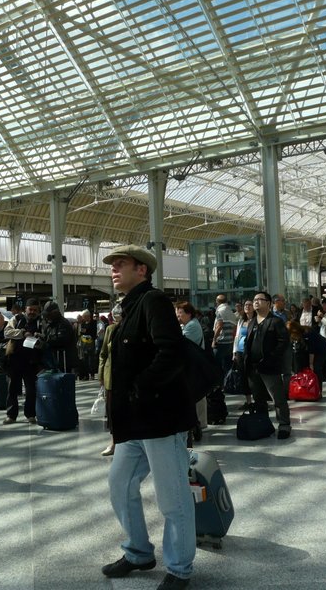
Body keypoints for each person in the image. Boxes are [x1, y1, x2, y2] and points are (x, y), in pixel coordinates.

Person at [101, 245, 196, 590]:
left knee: (172, 497)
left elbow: (171, 352)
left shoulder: (153, 301)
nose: (113, 270)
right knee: (120, 484)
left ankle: (180, 568)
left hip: (160, 418)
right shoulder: (129, 308)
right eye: (112, 265)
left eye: (120, 264)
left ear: (141, 270)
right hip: (135, 421)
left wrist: (141, 387)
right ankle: (139, 552)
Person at [242, 291, 291, 439]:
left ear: (268, 303)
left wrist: (272, 357)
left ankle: (284, 425)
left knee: (277, 397)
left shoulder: (275, 321)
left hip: (269, 366)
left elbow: (283, 342)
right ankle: (263, 424)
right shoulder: (252, 322)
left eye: (259, 299)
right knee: (258, 399)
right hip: (253, 367)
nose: (256, 302)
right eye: (254, 299)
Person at [3, 298, 43, 425]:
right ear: (25, 309)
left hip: (31, 361)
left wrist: (38, 337)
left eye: (35, 310)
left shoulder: (40, 322)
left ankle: (30, 414)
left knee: (31, 390)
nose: (32, 312)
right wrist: (22, 333)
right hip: (14, 359)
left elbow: (45, 337)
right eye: (30, 309)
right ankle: (11, 415)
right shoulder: (17, 319)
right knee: (12, 388)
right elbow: (7, 332)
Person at [175, 301, 207, 439]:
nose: (178, 316)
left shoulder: (192, 326)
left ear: (189, 313)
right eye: (177, 314)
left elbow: (182, 343)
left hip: (194, 365)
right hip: (191, 365)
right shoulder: (187, 325)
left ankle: (199, 423)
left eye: (180, 313)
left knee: (197, 395)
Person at [97, 303, 122, 457]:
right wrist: (101, 375)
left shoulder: (135, 329)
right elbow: (103, 353)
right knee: (112, 411)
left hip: (128, 378)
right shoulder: (110, 330)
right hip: (111, 377)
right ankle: (114, 442)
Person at [41, 301, 77, 372]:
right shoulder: (50, 325)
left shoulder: (64, 324)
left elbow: (61, 340)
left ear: (55, 313)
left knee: (63, 378)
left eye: (49, 315)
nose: (47, 317)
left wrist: (45, 339)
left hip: (64, 361)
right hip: (54, 361)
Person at [234, 299, 254, 410]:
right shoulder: (241, 320)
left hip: (252, 352)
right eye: (246, 305)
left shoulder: (257, 320)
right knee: (243, 376)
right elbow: (237, 337)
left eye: (250, 305)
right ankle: (248, 401)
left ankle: (259, 400)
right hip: (240, 351)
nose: (247, 306)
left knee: (253, 377)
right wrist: (234, 352)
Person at [212, 294, 237, 380]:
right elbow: (235, 328)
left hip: (221, 342)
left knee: (216, 364)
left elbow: (219, 326)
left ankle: (219, 382)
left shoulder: (220, 311)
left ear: (217, 302)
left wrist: (214, 340)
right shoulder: (231, 312)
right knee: (227, 366)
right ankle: (228, 383)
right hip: (229, 342)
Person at [77, 309, 98, 380]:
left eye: (84, 316)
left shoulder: (93, 323)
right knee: (84, 359)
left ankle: (92, 374)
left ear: (87, 316)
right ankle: (86, 375)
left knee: (91, 359)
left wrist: (86, 331)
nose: (83, 318)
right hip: (84, 344)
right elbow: (80, 332)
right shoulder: (83, 323)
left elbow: (92, 332)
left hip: (91, 343)